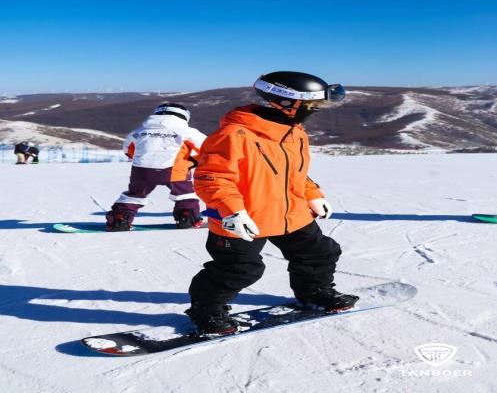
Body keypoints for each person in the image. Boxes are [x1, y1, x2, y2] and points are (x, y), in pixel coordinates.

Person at [186, 71, 359, 336]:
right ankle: (206, 309)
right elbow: (212, 177)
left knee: (319, 253)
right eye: (311, 104)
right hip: (245, 217)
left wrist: (312, 194)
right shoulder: (234, 134)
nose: (314, 110)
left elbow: (294, 173)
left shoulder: (294, 133)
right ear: (287, 103)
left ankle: (314, 291)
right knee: (238, 269)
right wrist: (232, 211)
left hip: (292, 213)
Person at [106, 103, 207, 231]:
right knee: (185, 195)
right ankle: (187, 218)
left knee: (135, 195)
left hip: (141, 171)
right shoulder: (187, 131)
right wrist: (193, 161)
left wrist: (140, 158)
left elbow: (128, 149)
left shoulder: (139, 131)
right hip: (174, 171)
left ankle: (120, 219)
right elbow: (208, 147)